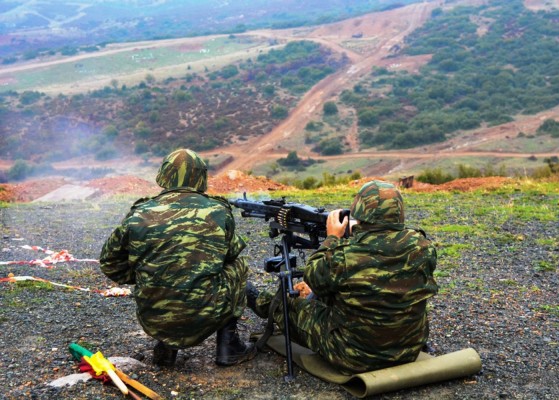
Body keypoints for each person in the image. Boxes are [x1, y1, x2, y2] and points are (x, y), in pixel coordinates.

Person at [249, 180, 438, 373]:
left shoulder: (346, 257)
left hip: (352, 356)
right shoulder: (424, 247)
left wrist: (332, 237)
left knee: (289, 303)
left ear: (360, 211)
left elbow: (313, 276)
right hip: (409, 349)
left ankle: (258, 301)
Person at [99, 148, 256, 367]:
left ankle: (167, 346)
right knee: (238, 265)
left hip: (154, 318)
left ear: (164, 175)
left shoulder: (139, 213)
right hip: (206, 313)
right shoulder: (218, 211)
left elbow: (109, 263)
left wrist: (144, 275)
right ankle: (228, 346)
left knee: (161, 270)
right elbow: (230, 254)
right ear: (200, 177)